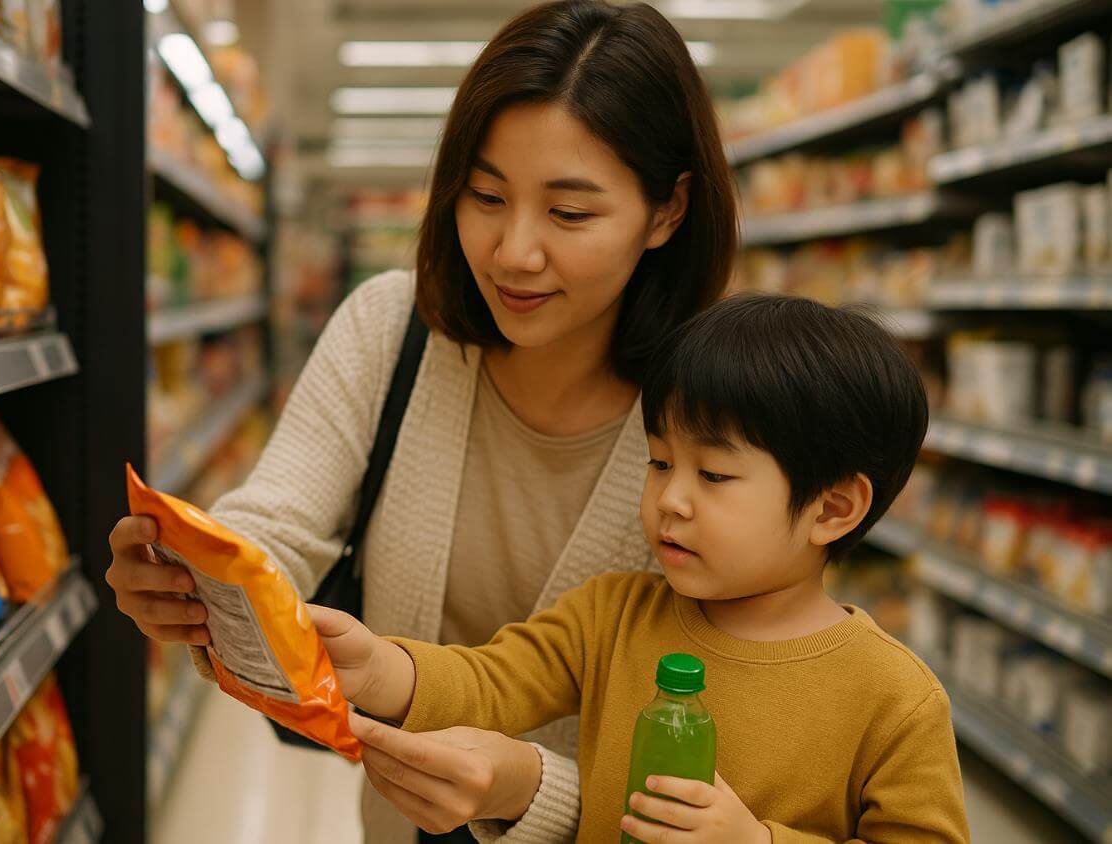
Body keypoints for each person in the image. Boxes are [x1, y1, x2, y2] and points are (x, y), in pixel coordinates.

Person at [105, 1, 737, 841]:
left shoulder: (732, 407)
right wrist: (197, 574)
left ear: (667, 211)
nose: (513, 252)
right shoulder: (390, 327)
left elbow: (741, 746)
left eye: (569, 213)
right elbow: (275, 524)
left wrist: (530, 790)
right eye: (485, 195)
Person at [310, 294, 971, 844]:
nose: (669, 499)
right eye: (659, 462)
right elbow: (491, 680)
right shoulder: (611, 616)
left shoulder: (894, 699)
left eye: (713, 474)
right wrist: (377, 668)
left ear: (832, 508)